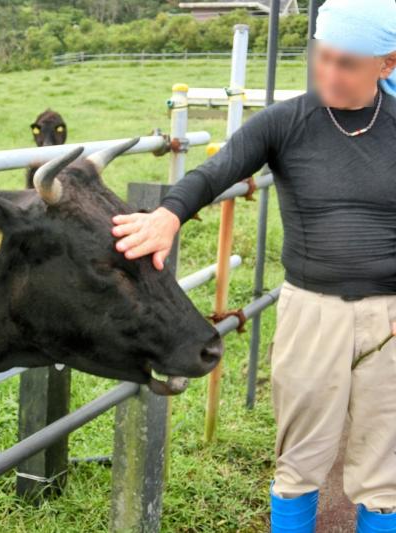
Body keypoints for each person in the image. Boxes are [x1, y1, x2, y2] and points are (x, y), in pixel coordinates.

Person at [112, 0, 396, 530]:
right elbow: (216, 170)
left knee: (385, 472)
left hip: (391, 317)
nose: (329, 72)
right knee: (299, 461)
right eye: (322, 56)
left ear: (387, 64)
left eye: (347, 63)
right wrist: (169, 215)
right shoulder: (287, 122)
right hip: (312, 313)